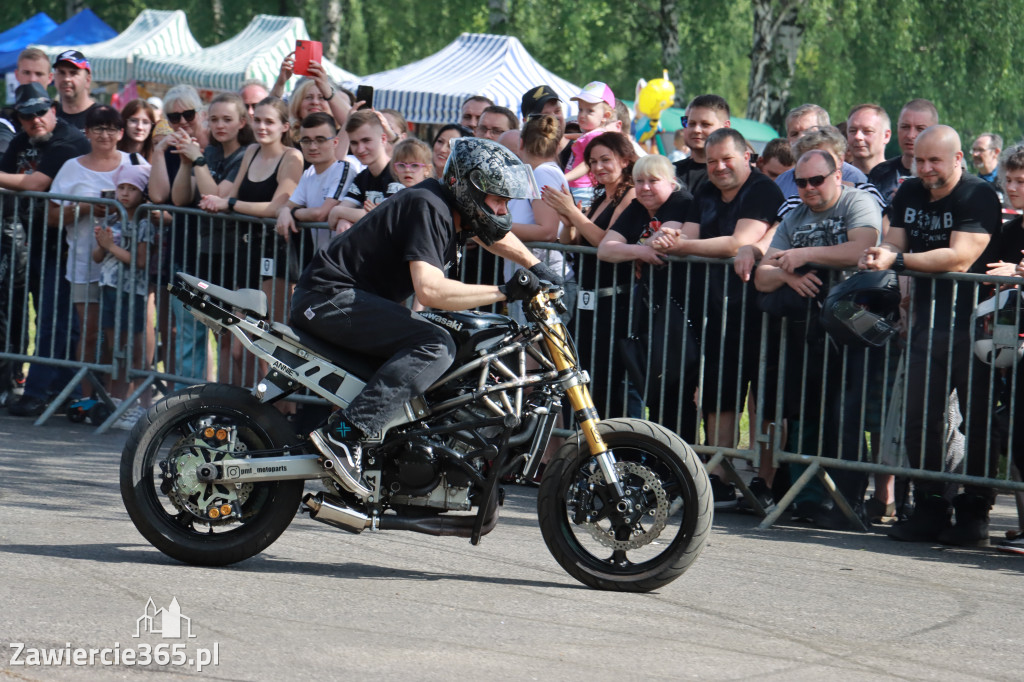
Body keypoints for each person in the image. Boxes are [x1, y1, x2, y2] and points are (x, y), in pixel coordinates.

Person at [290, 138, 553, 498]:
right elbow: (429, 290)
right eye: (497, 200)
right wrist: (505, 292)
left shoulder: (452, 208)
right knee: (435, 345)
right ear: (468, 190)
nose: (503, 209)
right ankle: (343, 436)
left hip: (349, 301)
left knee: (450, 348)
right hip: (329, 298)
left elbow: (494, 236)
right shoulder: (428, 206)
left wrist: (536, 266)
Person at [860, 125, 1002, 546]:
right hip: (926, 324)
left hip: (977, 327)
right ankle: (929, 506)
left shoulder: (978, 195)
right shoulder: (908, 193)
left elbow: (960, 255)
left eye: (935, 160)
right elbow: (893, 242)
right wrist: (889, 256)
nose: (925, 169)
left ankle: (975, 512)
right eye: (920, 160)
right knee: (920, 419)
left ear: (958, 159)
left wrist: (898, 259)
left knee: (978, 423)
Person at [651, 127, 784, 506]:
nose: (719, 167)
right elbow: (688, 234)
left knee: (765, 402)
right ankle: (720, 472)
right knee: (719, 397)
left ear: (747, 157)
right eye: (711, 161)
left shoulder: (763, 190)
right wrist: (667, 241)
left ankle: (764, 482)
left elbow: (737, 242)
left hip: (760, 312)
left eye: (727, 159)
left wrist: (682, 245)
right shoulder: (705, 191)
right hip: (715, 310)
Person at [752, 150, 883, 521]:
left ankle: (847, 501)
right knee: (804, 412)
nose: (808, 188)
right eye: (802, 182)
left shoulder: (858, 202)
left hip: (856, 323)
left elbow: (861, 249)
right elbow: (764, 275)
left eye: (816, 180)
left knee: (847, 416)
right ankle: (807, 498)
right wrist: (789, 274)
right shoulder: (794, 215)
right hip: (807, 330)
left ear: (837, 175)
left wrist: (803, 253)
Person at [0, 83, 90, 416]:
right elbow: (10, 176)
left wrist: (10, 179)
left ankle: (38, 391)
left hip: (68, 243)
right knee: (51, 318)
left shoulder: (68, 139)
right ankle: (64, 389)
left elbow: (35, 183)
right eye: (27, 115)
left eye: (40, 111)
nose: (35, 119)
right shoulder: (22, 140)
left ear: (52, 110)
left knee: (56, 317)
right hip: (32, 240)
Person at [47, 106, 141, 401]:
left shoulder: (135, 161)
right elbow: (51, 216)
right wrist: (87, 208)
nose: (105, 134)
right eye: (98, 128)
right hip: (84, 263)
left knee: (120, 338)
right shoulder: (72, 168)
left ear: (121, 133)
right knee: (89, 333)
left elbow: (153, 200)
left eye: (111, 128)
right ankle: (86, 399)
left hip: (125, 268)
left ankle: (117, 400)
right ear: (86, 132)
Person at [597, 154, 694, 435]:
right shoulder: (638, 207)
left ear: (672, 183)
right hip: (647, 308)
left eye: (653, 181)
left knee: (673, 393)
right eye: (639, 181)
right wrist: (640, 251)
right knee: (641, 385)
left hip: (679, 310)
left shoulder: (682, 202)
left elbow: (662, 243)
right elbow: (606, 249)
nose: (645, 188)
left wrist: (633, 249)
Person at [542, 132, 636, 418]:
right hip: (587, 298)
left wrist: (574, 213)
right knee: (583, 371)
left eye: (605, 160)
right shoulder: (599, 197)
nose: (598, 167)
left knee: (609, 380)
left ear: (625, 159)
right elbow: (573, 241)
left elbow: (605, 242)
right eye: (593, 161)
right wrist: (569, 221)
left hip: (614, 299)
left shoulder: (631, 194)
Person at [91, 164, 153, 430]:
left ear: (142, 193)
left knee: (132, 347)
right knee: (112, 344)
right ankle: (116, 400)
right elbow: (97, 257)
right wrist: (101, 245)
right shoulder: (111, 220)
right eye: (122, 188)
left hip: (132, 291)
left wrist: (110, 246)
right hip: (109, 287)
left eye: (132, 189)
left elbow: (139, 261)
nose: (125, 194)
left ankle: (139, 405)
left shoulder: (144, 224)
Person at [986, 143, 1024, 554]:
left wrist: (1016, 273)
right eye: (1008, 180)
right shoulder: (1010, 232)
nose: (1012, 188)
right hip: (1010, 347)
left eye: (1020, 181)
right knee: (1014, 434)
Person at [505, 115, 574, 323]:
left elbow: (547, 231)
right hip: (532, 284)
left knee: (538, 354)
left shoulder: (543, 173)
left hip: (544, 285)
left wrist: (496, 226)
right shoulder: (537, 173)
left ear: (521, 143)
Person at [275, 112, 358, 260]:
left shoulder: (344, 169)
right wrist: (284, 211)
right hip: (322, 258)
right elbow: (286, 206)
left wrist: (292, 213)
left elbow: (322, 214)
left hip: (344, 259)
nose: (312, 147)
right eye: (306, 140)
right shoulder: (309, 173)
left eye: (320, 140)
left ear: (335, 142)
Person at [327, 110, 403, 232]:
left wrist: (338, 212)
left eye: (366, 140)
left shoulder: (399, 173)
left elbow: (384, 216)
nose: (360, 149)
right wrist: (343, 220)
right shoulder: (362, 177)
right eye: (354, 143)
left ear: (383, 139)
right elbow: (334, 218)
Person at [867, 99, 938, 207]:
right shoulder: (880, 172)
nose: (910, 135)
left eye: (920, 129)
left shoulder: (942, 175)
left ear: (934, 132)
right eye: (905, 127)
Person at [563, 82, 617, 211]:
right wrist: (564, 136)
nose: (582, 115)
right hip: (579, 186)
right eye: (580, 109)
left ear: (605, 116)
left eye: (590, 111)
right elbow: (581, 137)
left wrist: (564, 178)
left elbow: (587, 164)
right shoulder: (593, 134)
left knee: (579, 219)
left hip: (583, 188)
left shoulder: (594, 137)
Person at [672, 94, 731, 195]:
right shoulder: (671, 173)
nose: (696, 130)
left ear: (725, 127)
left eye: (705, 124)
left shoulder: (733, 175)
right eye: (691, 123)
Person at [0, 48, 53, 154]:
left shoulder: (60, 116)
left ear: (50, 78)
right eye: (26, 73)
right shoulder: (6, 119)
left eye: (39, 74)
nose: (32, 79)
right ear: (17, 75)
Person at [52, 50, 99, 132]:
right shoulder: (47, 117)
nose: (66, 79)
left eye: (73, 73)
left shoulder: (102, 116)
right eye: (62, 72)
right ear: (54, 78)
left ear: (87, 80)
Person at [846, 104, 891, 176]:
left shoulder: (899, 181)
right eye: (852, 131)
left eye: (867, 131)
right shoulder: (837, 179)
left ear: (886, 136)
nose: (858, 136)